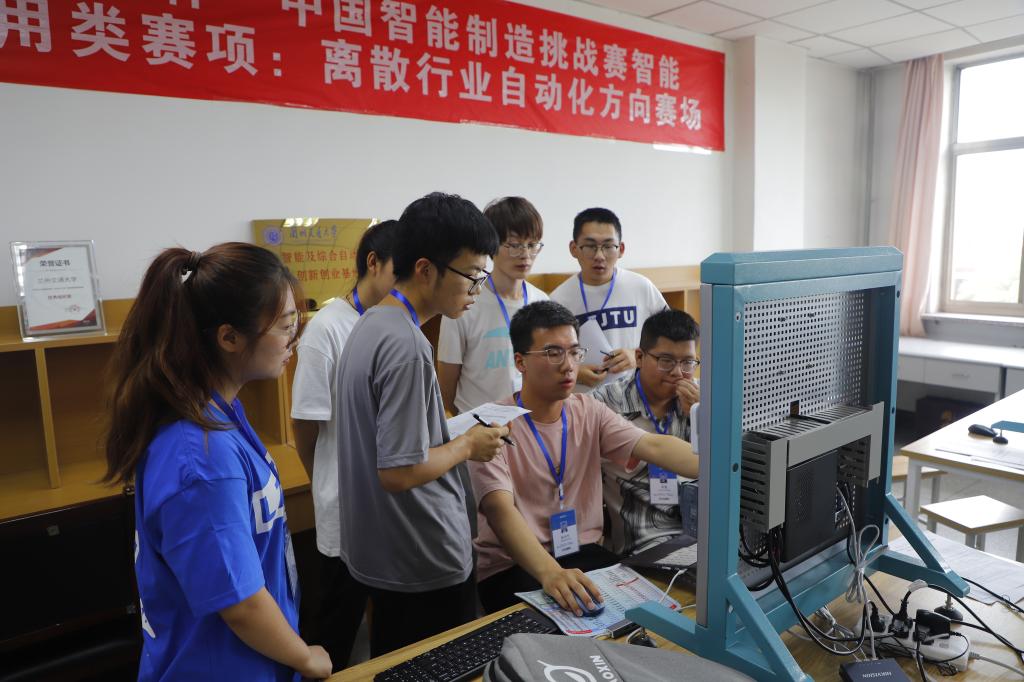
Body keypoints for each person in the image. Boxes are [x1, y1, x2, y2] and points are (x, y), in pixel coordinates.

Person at [104, 243, 331, 681]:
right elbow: (240, 603)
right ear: (229, 338)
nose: (294, 340)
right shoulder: (201, 458)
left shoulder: (219, 412)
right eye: (286, 326)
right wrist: (304, 658)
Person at [333, 193, 510, 657]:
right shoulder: (406, 345)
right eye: (472, 275)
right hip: (421, 555)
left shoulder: (372, 322)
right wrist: (468, 445)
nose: (477, 289)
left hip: (388, 551)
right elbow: (399, 471)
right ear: (426, 270)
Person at [468, 301, 698, 615]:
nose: (568, 366)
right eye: (553, 353)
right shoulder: (492, 424)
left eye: (575, 352)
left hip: (581, 552)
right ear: (520, 362)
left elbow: (654, 446)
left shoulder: (588, 410)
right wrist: (551, 573)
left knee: (645, 615)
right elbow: (499, 510)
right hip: (512, 565)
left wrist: (728, 462)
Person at [290, 220, 398, 671]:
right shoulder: (328, 328)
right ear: (373, 263)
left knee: (390, 627)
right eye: (399, 272)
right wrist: (323, 483)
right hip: (346, 505)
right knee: (336, 627)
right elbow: (305, 424)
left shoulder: (395, 322)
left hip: (390, 500)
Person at [591, 309, 700, 556]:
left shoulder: (703, 399)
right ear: (639, 357)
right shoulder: (604, 404)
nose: (678, 372)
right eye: (666, 361)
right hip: (644, 543)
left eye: (688, 362)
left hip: (702, 531)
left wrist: (703, 415)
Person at [438, 196, 549, 416]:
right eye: (514, 245)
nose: (525, 255)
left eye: (532, 245)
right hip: (478, 426)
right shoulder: (463, 305)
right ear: (492, 246)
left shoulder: (543, 303)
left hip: (529, 424)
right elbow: (445, 390)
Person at [549, 207, 667, 391]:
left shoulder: (641, 287)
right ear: (574, 248)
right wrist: (575, 371)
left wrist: (638, 356)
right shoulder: (558, 300)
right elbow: (548, 356)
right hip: (584, 401)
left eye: (608, 246)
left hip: (635, 398)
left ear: (621, 249)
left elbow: (671, 337)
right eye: (590, 246)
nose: (599, 256)